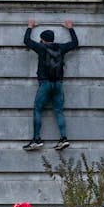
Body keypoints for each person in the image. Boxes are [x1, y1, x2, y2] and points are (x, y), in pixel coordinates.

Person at [22, 19, 79, 151]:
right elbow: (75, 43)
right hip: (58, 84)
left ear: (42, 40)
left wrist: (30, 27)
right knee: (58, 111)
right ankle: (63, 139)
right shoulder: (61, 47)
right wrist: (70, 28)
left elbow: (26, 41)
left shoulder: (41, 48)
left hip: (45, 84)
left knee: (37, 109)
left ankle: (36, 140)